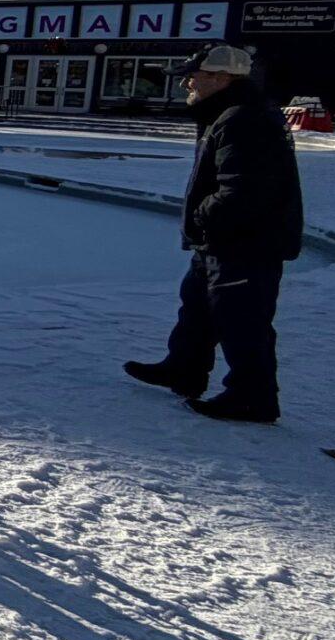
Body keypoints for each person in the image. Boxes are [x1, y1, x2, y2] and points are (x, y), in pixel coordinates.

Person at [124, 45, 303, 422]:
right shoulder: (227, 114)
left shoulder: (244, 119)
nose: (188, 82)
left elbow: (244, 188)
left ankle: (252, 397)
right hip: (222, 239)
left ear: (222, 78)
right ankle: (184, 369)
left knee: (242, 317)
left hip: (245, 241)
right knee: (199, 307)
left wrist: (206, 215)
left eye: (195, 75)